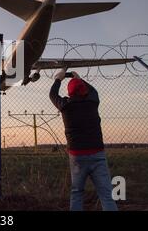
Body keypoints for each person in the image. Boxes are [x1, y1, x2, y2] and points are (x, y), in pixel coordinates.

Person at [49, 69, 118, 211]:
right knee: (106, 194)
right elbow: (93, 91)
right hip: (97, 154)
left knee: (77, 192)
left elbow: (52, 95)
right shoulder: (93, 102)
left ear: (69, 93)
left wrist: (58, 79)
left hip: (77, 156)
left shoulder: (65, 106)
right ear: (84, 90)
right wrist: (79, 78)